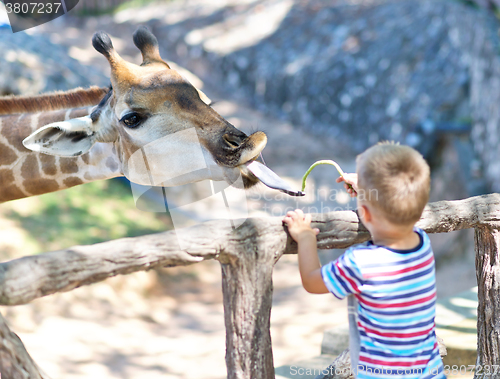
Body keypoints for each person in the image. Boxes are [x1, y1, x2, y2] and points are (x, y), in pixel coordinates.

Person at [283, 142, 445, 379]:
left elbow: (311, 281)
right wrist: (370, 194)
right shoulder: (422, 243)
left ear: (365, 214)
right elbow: (394, 217)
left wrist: (306, 237)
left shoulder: (360, 263)